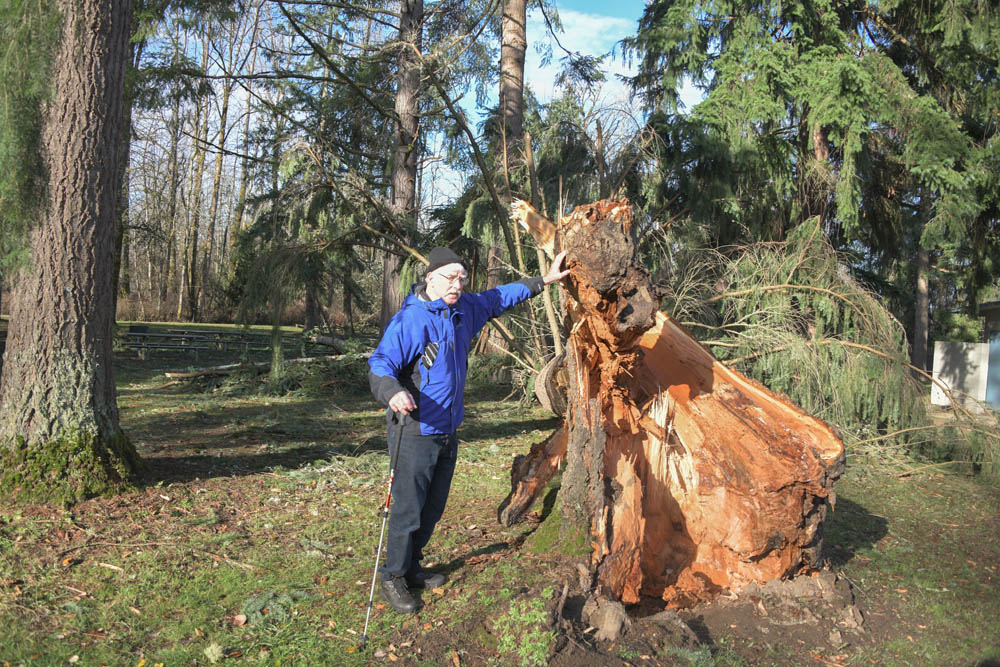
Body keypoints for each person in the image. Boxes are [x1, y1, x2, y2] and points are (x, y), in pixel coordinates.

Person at [368, 246, 570, 613]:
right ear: (430, 277)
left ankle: (412, 568)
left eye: (462, 278)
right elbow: (381, 363)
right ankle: (393, 577)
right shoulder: (412, 320)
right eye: (449, 277)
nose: (457, 284)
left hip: (448, 430)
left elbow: (500, 297)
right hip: (413, 430)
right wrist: (393, 392)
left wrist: (545, 280)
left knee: (432, 509)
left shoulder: (464, 309)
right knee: (409, 510)